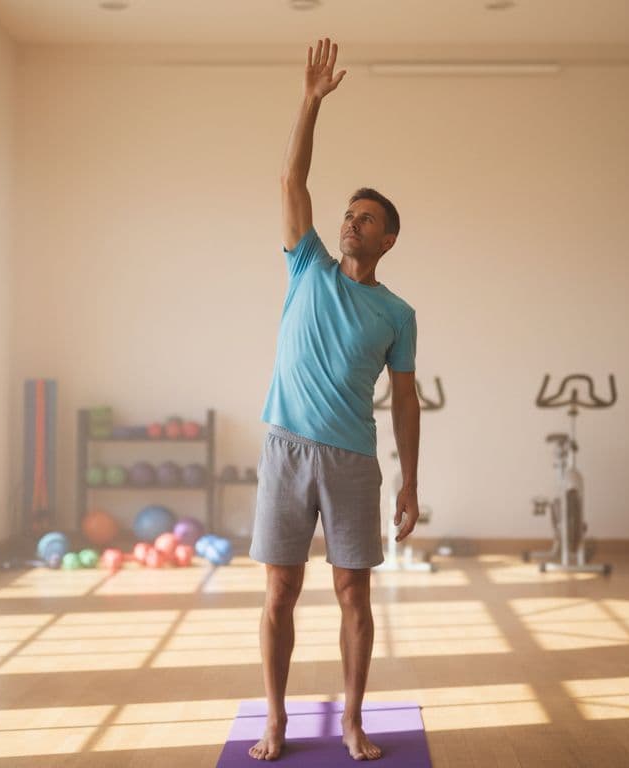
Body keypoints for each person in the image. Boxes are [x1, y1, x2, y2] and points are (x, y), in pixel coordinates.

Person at [248, 38, 422, 762]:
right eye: (348, 213)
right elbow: (291, 177)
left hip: (353, 459)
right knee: (279, 593)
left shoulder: (398, 315)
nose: (351, 222)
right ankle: (278, 719)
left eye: (366, 219)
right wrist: (310, 101)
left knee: (355, 595)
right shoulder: (308, 267)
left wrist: (413, 480)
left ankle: (353, 720)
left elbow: (406, 403)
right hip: (286, 446)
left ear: (388, 240)